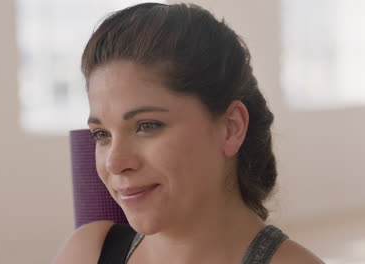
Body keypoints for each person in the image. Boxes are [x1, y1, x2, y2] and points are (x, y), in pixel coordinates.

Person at [54, 3, 324, 264]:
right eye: (101, 134)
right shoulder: (87, 252)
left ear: (231, 127)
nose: (114, 162)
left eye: (147, 125)